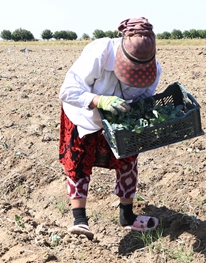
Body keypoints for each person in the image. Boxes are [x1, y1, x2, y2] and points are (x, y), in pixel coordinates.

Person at [58, 17, 162, 240]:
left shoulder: (154, 70)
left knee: (128, 158)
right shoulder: (100, 52)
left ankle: (127, 216)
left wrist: (141, 114)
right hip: (83, 115)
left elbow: (144, 98)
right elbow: (68, 91)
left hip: (118, 119)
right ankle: (80, 220)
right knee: (78, 159)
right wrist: (99, 100)